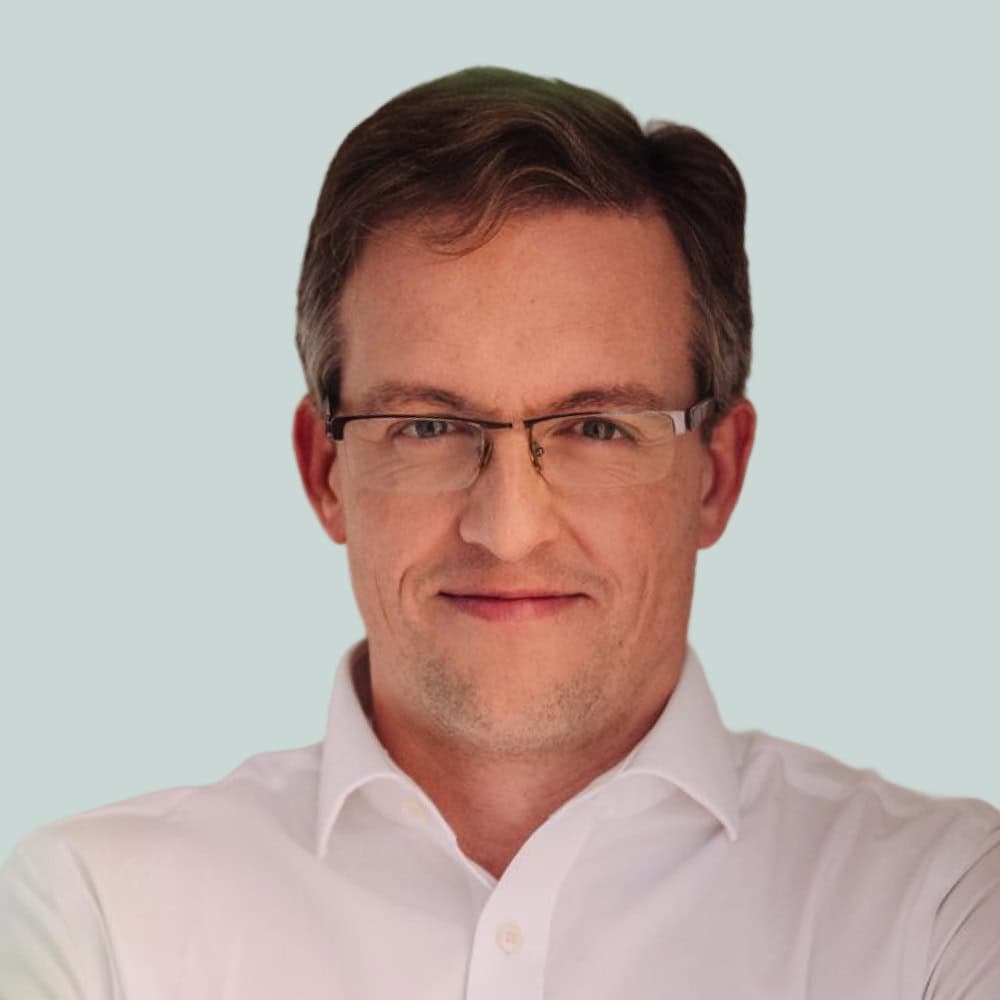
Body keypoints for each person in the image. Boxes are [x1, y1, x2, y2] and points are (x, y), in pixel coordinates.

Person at [2, 66, 997, 999]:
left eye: (596, 427)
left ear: (716, 475)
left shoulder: (943, 908)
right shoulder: (91, 920)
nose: (508, 530)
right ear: (324, 470)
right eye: (427, 427)